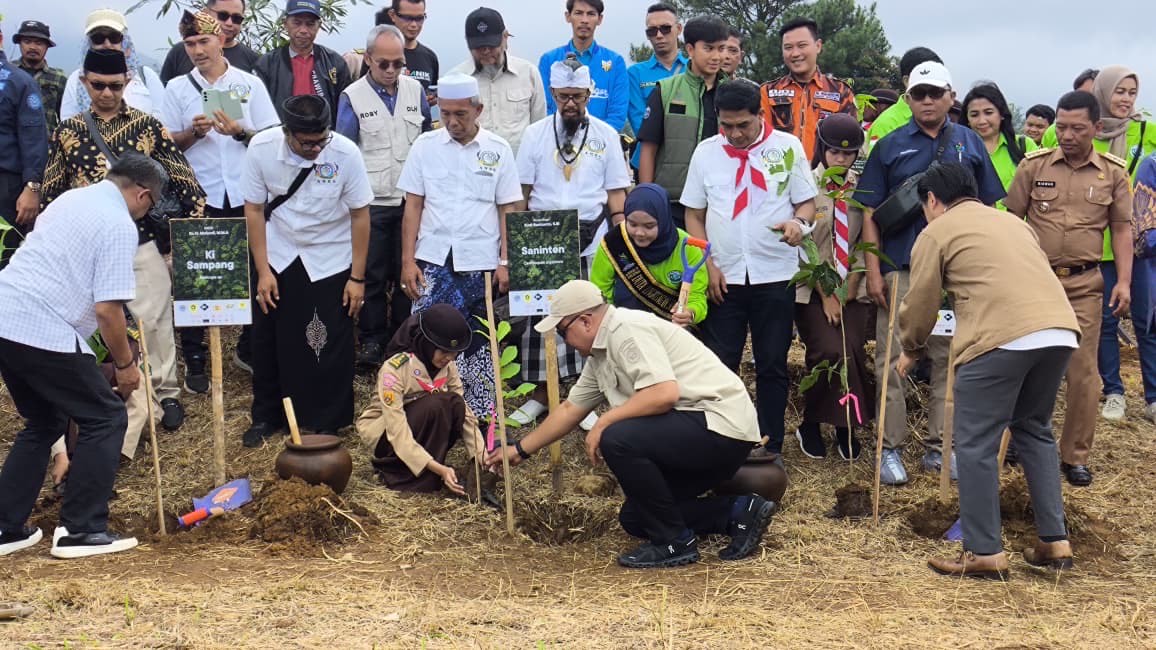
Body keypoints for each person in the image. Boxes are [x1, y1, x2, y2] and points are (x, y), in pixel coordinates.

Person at [486, 280, 776, 568]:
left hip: (718, 425)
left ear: (585, 321)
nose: (565, 341)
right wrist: (520, 450)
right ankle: (738, 511)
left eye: (563, 332)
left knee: (617, 437)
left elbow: (663, 393)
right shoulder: (600, 353)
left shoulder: (626, 329)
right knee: (637, 518)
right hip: (698, 431)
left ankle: (674, 542)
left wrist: (605, 421)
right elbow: (570, 409)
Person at [899, 163, 1078, 580]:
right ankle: (1055, 541)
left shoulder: (936, 231)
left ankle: (984, 552)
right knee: (1034, 430)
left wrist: (911, 348)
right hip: (1059, 331)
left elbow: (921, 299)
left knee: (975, 443)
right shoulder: (1013, 224)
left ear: (931, 200)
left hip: (999, 337)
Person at [0, 154, 166, 559]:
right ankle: (80, 529)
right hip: (41, 327)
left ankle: (5, 528)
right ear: (142, 194)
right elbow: (107, 310)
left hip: (6, 315)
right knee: (106, 416)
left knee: (45, 419)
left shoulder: (72, 199)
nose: (148, 210)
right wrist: (125, 366)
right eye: (152, 203)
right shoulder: (117, 225)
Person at [41, 48, 208, 436]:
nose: (106, 93)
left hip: (141, 240)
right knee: (87, 324)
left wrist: (181, 242)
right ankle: (100, 392)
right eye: (97, 85)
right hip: (85, 248)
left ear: (127, 83)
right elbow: (52, 192)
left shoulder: (148, 126)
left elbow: (186, 182)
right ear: (84, 83)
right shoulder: (68, 131)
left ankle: (165, 391)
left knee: (155, 318)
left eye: (115, 86)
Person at [856, 61, 1004, 485]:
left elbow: (987, 208)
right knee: (892, 360)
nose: (926, 101)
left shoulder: (970, 143)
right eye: (919, 94)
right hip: (903, 267)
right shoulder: (889, 145)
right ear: (908, 99)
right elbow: (870, 212)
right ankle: (889, 449)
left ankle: (941, 448)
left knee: (952, 360)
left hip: (958, 274)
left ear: (950, 97)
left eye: (935, 93)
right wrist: (873, 270)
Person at [682, 79, 818, 463]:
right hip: (723, 276)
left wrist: (798, 226)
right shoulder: (706, 154)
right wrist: (707, 262)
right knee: (721, 359)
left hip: (773, 273)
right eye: (727, 125)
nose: (735, 134)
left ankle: (769, 443)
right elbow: (694, 213)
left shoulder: (787, 148)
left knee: (772, 361)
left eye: (743, 125)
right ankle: (724, 437)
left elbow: (806, 205)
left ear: (761, 115)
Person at [1005, 91, 1134, 487]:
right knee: (1021, 366)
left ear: (1096, 128)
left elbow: (1122, 228)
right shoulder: (1033, 166)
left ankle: (1075, 455)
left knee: (1083, 373)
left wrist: (1125, 281)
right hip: (1034, 282)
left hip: (1084, 284)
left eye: (1077, 128)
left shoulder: (1112, 173)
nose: (1067, 135)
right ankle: (1013, 443)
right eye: (1061, 127)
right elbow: (1012, 219)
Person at [242, 95, 372, 447]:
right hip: (279, 251)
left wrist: (357, 278)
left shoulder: (345, 154)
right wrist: (263, 270)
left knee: (323, 340)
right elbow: (254, 210)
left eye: (321, 140)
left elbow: (360, 215)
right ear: (287, 133)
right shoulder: (262, 148)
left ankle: (324, 420)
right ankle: (267, 416)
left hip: (330, 255)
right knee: (268, 337)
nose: (316, 148)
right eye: (307, 142)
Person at [509, 57, 631, 431]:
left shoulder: (607, 136)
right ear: (553, 94)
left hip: (590, 236)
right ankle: (542, 397)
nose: (571, 104)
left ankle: (584, 397)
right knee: (540, 323)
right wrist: (514, 244)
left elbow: (616, 195)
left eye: (577, 96)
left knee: (587, 321)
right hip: (543, 238)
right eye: (563, 97)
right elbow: (521, 195)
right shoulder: (534, 134)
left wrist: (620, 242)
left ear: (589, 93)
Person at [161, 9, 280, 389]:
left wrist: (240, 131)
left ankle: (249, 347)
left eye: (204, 41)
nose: (197, 50)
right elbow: (165, 145)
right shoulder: (178, 89)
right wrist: (191, 135)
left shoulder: (249, 84)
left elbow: (271, 137)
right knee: (197, 276)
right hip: (201, 193)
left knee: (254, 270)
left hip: (247, 195)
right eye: (190, 43)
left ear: (221, 40)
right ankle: (196, 359)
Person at [397, 73, 523, 422]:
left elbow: (508, 209)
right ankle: (423, 414)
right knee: (425, 335)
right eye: (446, 114)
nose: (452, 122)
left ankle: (482, 419)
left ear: (478, 110)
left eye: (461, 115)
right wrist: (408, 261)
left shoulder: (498, 149)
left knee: (478, 340)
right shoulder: (425, 146)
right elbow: (413, 206)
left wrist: (505, 261)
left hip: (479, 262)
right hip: (432, 260)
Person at [335, 24, 432, 369]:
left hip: (411, 200)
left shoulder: (415, 90)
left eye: (398, 64)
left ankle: (403, 337)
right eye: (384, 64)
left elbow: (426, 140)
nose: (391, 71)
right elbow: (343, 151)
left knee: (409, 273)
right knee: (372, 274)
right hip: (371, 202)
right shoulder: (352, 96)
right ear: (369, 60)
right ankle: (373, 340)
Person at [794, 114, 874, 461]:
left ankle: (845, 426)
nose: (841, 160)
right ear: (822, 151)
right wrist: (826, 293)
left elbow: (862, 244)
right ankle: (811, 422)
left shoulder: (863, 190)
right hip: (812, 291)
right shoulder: (804, 188)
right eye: (834, 153)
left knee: (853, 351)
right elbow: (801, 246)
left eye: (849, 154)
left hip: (852, 289)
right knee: (828, 352)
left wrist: (849, 286)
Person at [355, 305, 485, 494]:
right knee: (438, 404)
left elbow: (465, 415)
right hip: (388, 435)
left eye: (454, 352)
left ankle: (429, 464)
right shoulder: (396, 368)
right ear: (427, 343)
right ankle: (401, 470)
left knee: (455, 404)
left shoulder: (448, 367)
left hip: (421, 426)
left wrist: (480, 455)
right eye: (443, 351)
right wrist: (439, 469)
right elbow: (397, 430)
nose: (449, 358)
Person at [637, 15, 730, 230]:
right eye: (708, 48)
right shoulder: (665, 90)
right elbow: (648, 149)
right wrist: (647, 198)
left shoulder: (733, 93)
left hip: (721, 202)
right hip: (673, 203)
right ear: (690, 49)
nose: (717, 56)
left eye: (721, 48)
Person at [590, 183, 708, 327]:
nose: (639, 233)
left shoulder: (687, 247)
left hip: (671, 331)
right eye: (632, 224)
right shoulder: (614, 243)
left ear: (663, 220)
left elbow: (697, 297)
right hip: (623, 329)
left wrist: (690, 313)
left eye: (649, 226)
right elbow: (599, 295)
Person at [451, 7, 546, 156]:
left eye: (491, 45)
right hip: (471, 169)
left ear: (505, 37)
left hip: (519, 171)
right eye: (479, 47)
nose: (486, 51)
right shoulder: (456, 79)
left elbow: (539, 128)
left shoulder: (528, 73)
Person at [760, 17, 857, 161]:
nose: (795, 53)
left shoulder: (841, 92)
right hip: (778, 176)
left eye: (802, 45)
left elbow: (851, 143)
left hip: (824, 178)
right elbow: (760, 141)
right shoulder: (767, 92)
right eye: (788, 47)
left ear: (818, 46)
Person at [253, 0, 351, 127]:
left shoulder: (334, 62)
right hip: (282, 138)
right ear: (285, 24)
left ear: (319, 26)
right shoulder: (267, 64)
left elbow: (346, 109)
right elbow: (258, 109)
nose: (303, 30)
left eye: (310, 24)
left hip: (323, 138)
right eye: (297, 23)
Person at [60, 10, 166, 123]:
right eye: (98, 38)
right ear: (89, 44)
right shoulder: (77, 79)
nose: (107, 44)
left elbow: (163, 121)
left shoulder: (146, 76)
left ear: (125, 43)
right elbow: (68, 122)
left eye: (114, 37)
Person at [538, 0, 628, 132]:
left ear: (600, 19)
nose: (584, 20)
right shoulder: (549, 60)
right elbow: (544, 109)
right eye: (578, 13)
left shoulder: (615, 62)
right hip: (557, 142)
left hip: (600, 146)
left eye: (591, 14)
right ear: (568, 16)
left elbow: (618, 114)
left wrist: (592, 141)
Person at [0, 22, 47, 243]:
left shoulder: (20, 81)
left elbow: (34, 138)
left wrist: (32, 187)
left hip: (6, 185)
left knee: (5, 257)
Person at [625, 2, 687, 169]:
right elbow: (638, 122)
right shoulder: (635, 73)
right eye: (652, 31)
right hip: (648, 160)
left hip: (688, 158)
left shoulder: (694, 69)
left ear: (679, 29)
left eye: (665, 28)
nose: (659, 35)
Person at [959, 82, 1037, 209]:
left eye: (988, 112)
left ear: (1001, 114)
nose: (982, 121)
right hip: (977, 224)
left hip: (1018, 225)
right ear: (967, 119)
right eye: (974, 115)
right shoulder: (959, 150)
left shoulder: (1024, 145)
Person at [159, 0, 261, 83]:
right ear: (205, 13)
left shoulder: (253, 60)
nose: (229, 23)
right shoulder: (179, 52)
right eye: (223, 15)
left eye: (237, 18)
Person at [866, 47, 942, 149]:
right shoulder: (887, 124)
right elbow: (877, 164)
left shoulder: (943, 118)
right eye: (927, 77)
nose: (935, 84)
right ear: (907, 81)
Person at [12, 21, 66, 134]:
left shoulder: (58, 77)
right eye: (27, 41)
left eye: (39, 43)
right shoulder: (8, 73)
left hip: (46, 145)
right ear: (20, 44)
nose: (32, 47)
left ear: (47, 47)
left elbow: (65, 118)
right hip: (10, 144)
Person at [389, 0, 439, 100]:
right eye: (407, 18)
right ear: (393, 15)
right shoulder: (379, 54)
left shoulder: (430, 57)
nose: (414, 24)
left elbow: (431, 92)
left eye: (419, 18)